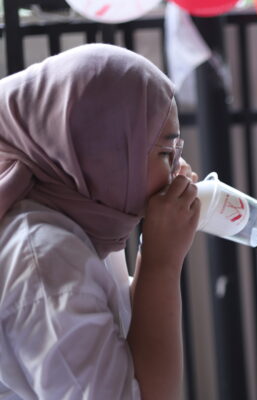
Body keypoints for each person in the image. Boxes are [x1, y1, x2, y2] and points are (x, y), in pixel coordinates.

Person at [0, 44, 200, 399]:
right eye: (166, 154)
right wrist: (161, 264)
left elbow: (125, 334)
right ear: (107, 151)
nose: (177, 174)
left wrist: (155, 256)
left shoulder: (80, 216)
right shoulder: (47, 259)